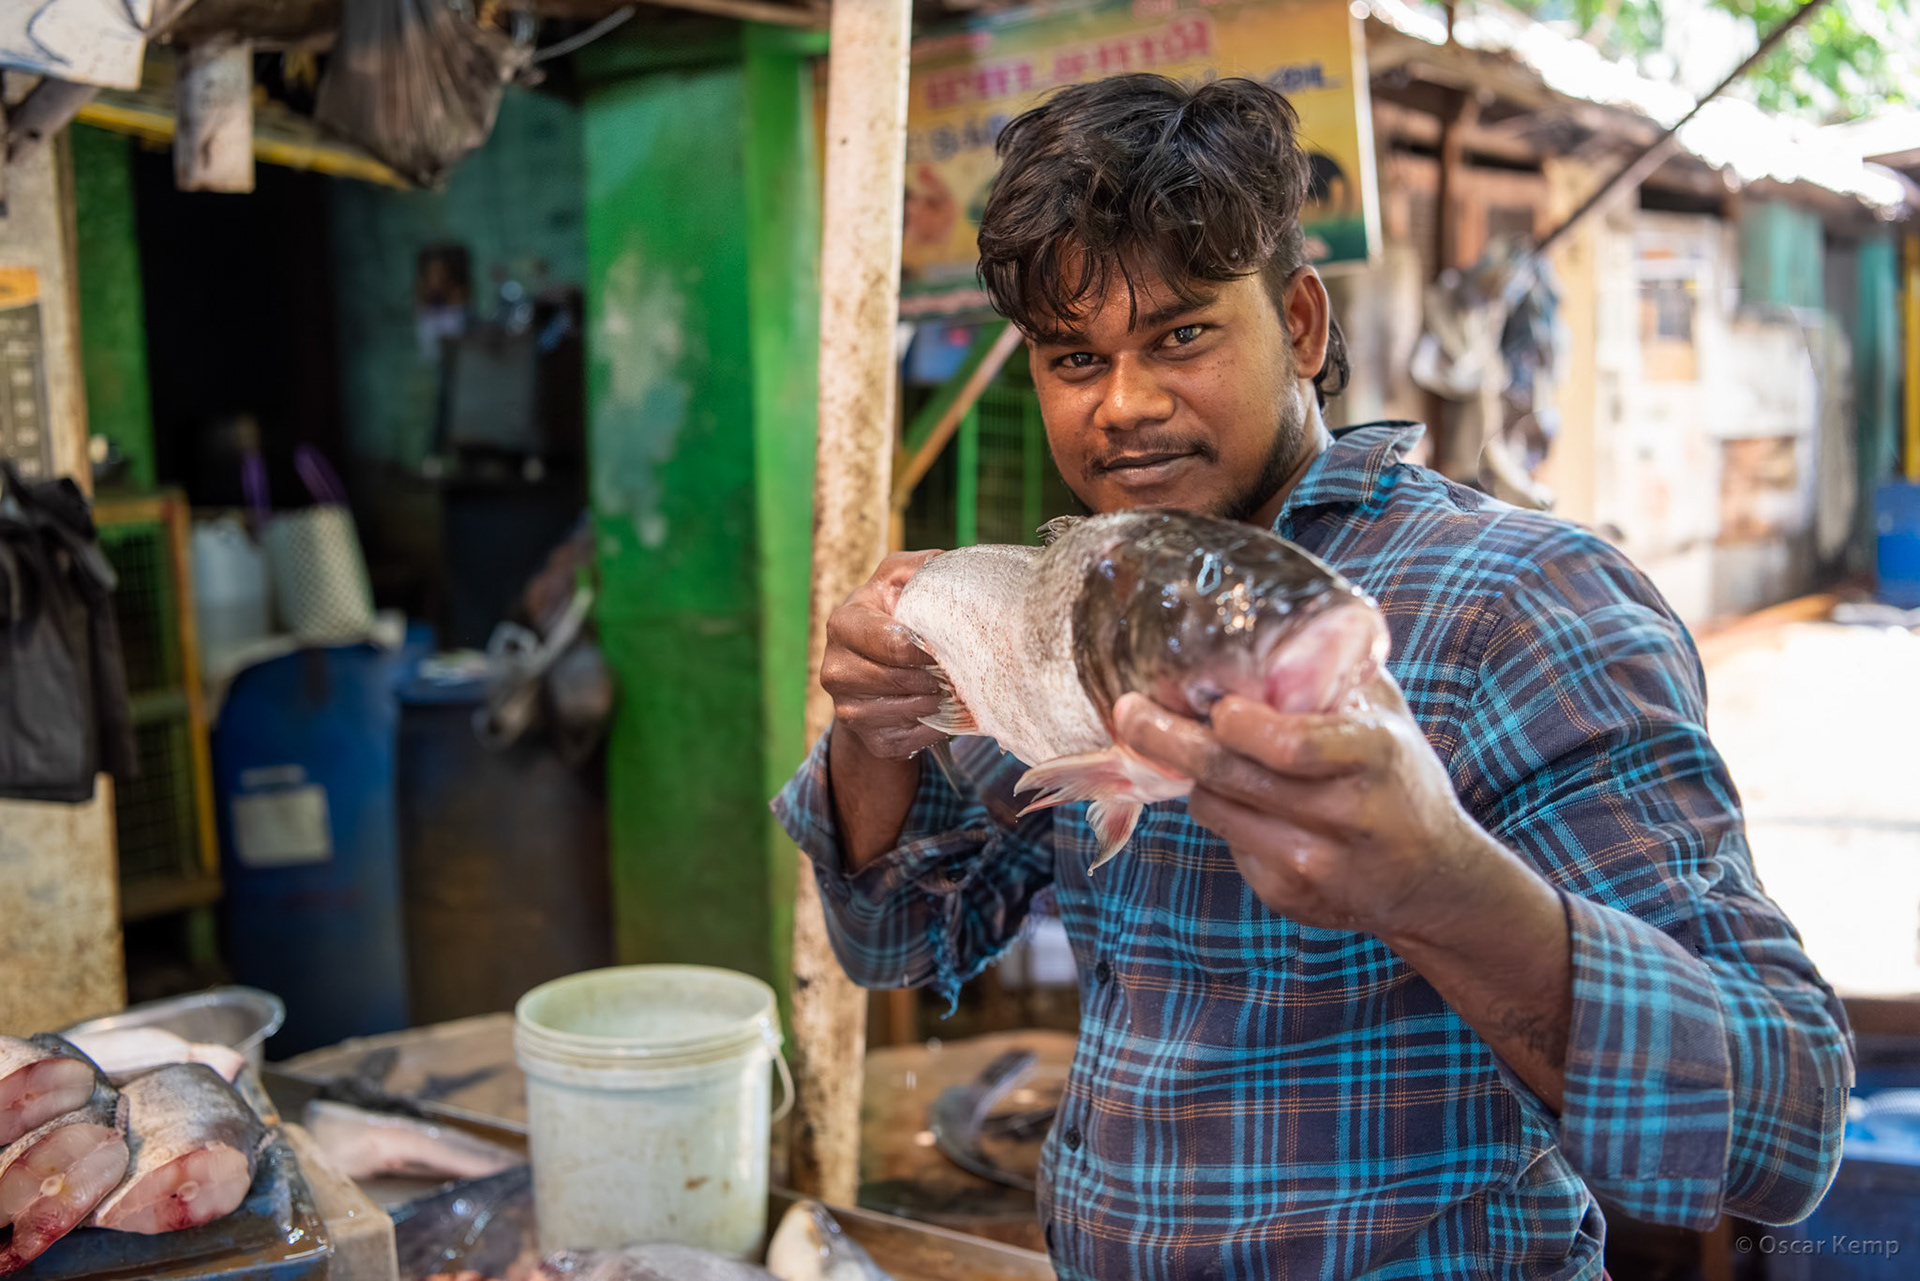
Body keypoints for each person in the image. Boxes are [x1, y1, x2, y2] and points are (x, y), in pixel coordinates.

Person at [772, 74, 1850, 1280]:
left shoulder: (1519, 604)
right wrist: (875, 730)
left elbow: (1784, 1126)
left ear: (1300, 324)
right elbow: (899, 942)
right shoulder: (1084, 595)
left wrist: (1441, 886)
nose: (1124, 405)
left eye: (1181, 334)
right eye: (1075, 358)